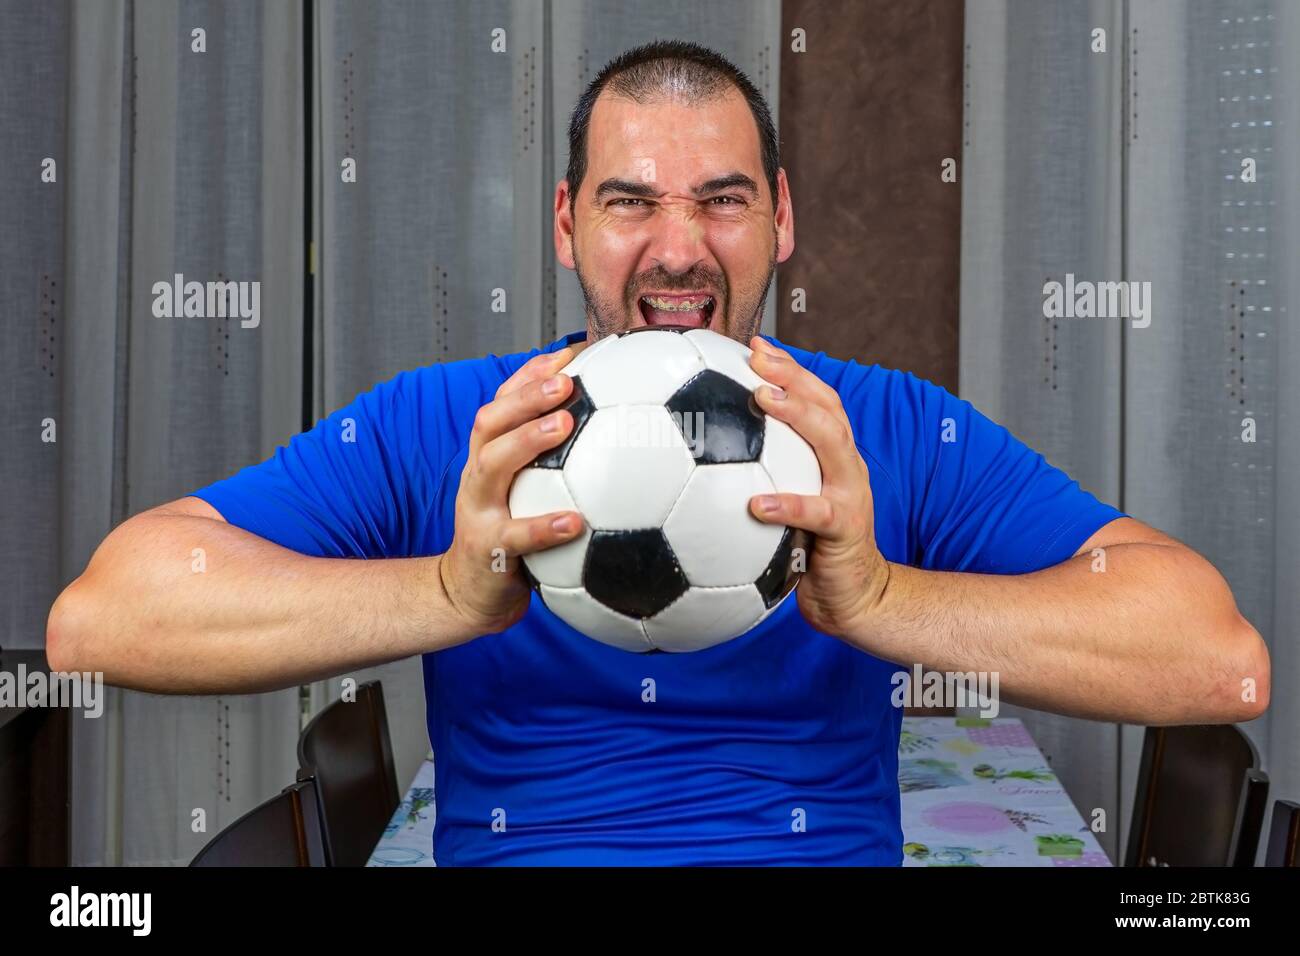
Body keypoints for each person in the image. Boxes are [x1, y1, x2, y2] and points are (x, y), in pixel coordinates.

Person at [47, 40, 1269, 865]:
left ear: (781, 219)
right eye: (631, 200)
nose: (679, 248)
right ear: (569, 221)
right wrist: (439, 591)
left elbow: (1215, 660)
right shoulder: (457, 424)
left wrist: (886, 600)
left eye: (723, 198)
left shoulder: (877, 428)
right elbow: (103, 620)